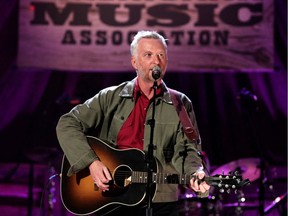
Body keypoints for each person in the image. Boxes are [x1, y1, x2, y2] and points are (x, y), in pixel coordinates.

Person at [56, 30, 210, 216]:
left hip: (161, 202)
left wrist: (196, 172)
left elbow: (187, 150)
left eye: (161, 55)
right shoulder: (110, 97)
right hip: (111, 199)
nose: (156, 61)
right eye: (148, 55)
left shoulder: (181, 103)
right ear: (134, 62)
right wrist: (91, 162)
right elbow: (67, 123)